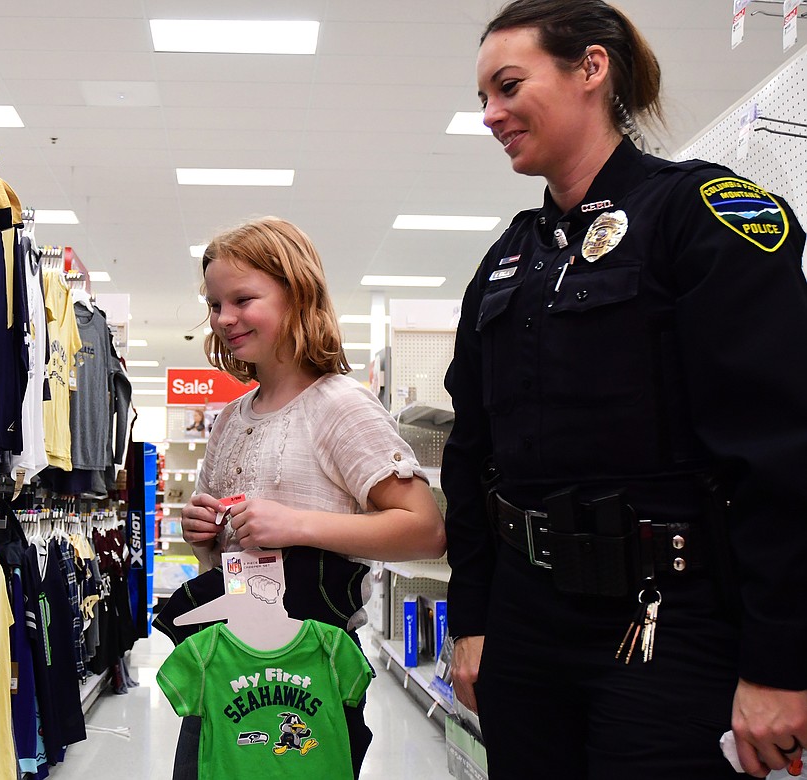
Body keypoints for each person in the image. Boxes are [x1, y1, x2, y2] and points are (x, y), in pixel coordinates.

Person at [442, 1, 807, 778]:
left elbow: (780, 455)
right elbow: (471, 457)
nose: (491, 115)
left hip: (670, 624)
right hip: (525, 626)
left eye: (507, 86)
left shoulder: (700, 218)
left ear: (592, 69)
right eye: (483, 99)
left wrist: (781, 661)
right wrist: (470, 619)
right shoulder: (507, 263)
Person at [177, 216, 446, 776]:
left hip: (306, 679)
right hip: (224, 661)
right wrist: (203, 536)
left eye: (242, 299)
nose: (225, 319)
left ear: (297, 295)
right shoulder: (230, 418)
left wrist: (297, 526)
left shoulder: (339, 406)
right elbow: (230, 554)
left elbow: (423, 527)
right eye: (214, 304)